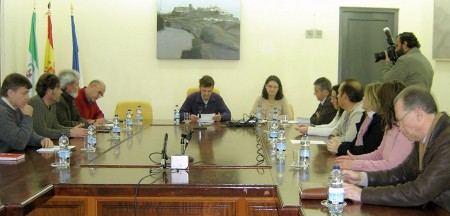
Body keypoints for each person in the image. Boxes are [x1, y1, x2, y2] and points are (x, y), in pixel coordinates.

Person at [343, 86, 450, 212]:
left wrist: (362, 194)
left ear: (418, 114)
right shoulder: (424, 137)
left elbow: (420, 192)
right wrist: (363, 178)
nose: (399, 128)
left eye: (400, 121)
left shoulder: (446, 141)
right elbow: (402, 173)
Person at [335, 80, 414, 171]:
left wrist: (355, 164)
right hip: (382, 175)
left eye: (381, 100)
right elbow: (379, 154)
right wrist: (354, 159)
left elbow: (390, 165)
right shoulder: (390, 125)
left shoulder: (404, 131)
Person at [0, 73, 53, 152]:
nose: (28, 97)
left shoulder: (17, 107)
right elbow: (19, 143)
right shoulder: (2, 112)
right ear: (10, 93)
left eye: (28, 93)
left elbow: (27, 133)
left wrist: (41, 140)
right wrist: (27, 117)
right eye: (24, 93)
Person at [327, 83, 384, 155]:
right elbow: (355, 143)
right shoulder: (367, 117)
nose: (363, 98)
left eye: (366, 96)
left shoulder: (378, 121)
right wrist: (338, 146)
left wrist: (339, 148)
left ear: (373, 99)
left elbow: (366, 149)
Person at [28, 73, 88, 139]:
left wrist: (75, 129)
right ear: (49, 91)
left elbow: (56, 126)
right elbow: (41, 132)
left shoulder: (52, 104)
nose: (61, 92)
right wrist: (70, 132)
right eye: (58, 88)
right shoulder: (36, 102)